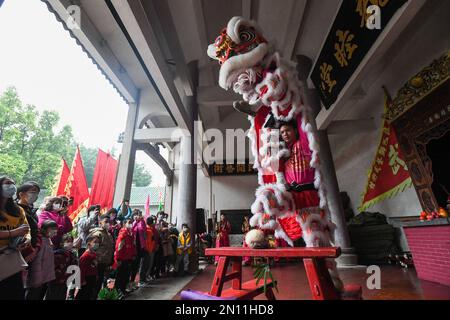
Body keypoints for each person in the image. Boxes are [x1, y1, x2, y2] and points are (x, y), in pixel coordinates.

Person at [0, 176, 31, 300]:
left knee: (15, 293)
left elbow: (26, 229)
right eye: (8, 183)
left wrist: (26, 239)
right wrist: (13, 232)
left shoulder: (18, 210)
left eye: (13, 183)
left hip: (12, 259)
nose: (12, 186)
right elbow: (18, 230)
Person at [25, 220, 58, 300]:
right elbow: (37, 262)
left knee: (40, 295)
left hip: (44, 277)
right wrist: (37, 279)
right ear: (44, 229)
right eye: (52, 229)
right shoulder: (41, 242)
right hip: (38, 278)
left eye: (55, 229)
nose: (55, 231)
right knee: (33, 296)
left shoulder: (48, 240)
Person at [89, 214, 114, 298]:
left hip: (104, 262)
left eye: (109, 222)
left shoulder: (108, 234)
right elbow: (92, 249)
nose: (108, 223)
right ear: (100, 223)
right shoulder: (97, 234)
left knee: (100, 283)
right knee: (94, 284)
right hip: (97, 263)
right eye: (106, 222)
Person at [46, 234, 77, 300]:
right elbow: (52, 269)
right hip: (54, 281)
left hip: (65, 281)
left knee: (62, 296)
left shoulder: (71, 255)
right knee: (52, 296)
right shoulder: (57, 254)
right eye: (68, 241)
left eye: (71, 241)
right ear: (61, 244)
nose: (70, 243)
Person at [16, 181, 41, 262]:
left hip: (33, 250)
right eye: (33, 192)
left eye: (37, 193)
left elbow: (36, 230)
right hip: (20, 251)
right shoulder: (15, 210)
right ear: (21, 194)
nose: (35, 195)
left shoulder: (32, 210)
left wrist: (36, 248)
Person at [113, 219, 136, 296]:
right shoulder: (123, 234)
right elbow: (119, 248)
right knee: (120, 276)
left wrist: (133, 255)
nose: (131, 224)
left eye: (131, 223)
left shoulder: (130, 234)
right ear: (124, 224)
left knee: (126, 275)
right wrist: (118, 259)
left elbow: (133, 246)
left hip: (129, 258)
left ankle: (123, 289)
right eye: (129, 223)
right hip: (123, 259)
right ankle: (117, 291)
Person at [76, 233, 100, 300]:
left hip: (92, 277)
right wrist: (82, 280)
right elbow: (81, 270)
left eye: (98, 242)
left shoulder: (94, 254)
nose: (97, 244)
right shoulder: (85, 256)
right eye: (95, 242)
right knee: (83, 294)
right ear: (88, 244)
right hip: (86, 278)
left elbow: (95, 266)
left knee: (89, 293)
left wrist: (96, 275)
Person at [141, 216, 157, 285]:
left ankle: (145, 278)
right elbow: (146, 241)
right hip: (147, 250)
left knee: (147, 265)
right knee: (144, 265)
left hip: (150, 250)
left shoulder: (150, 229)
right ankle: (142, 279)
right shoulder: (147, 230)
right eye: (153, 222)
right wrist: (147, 249)